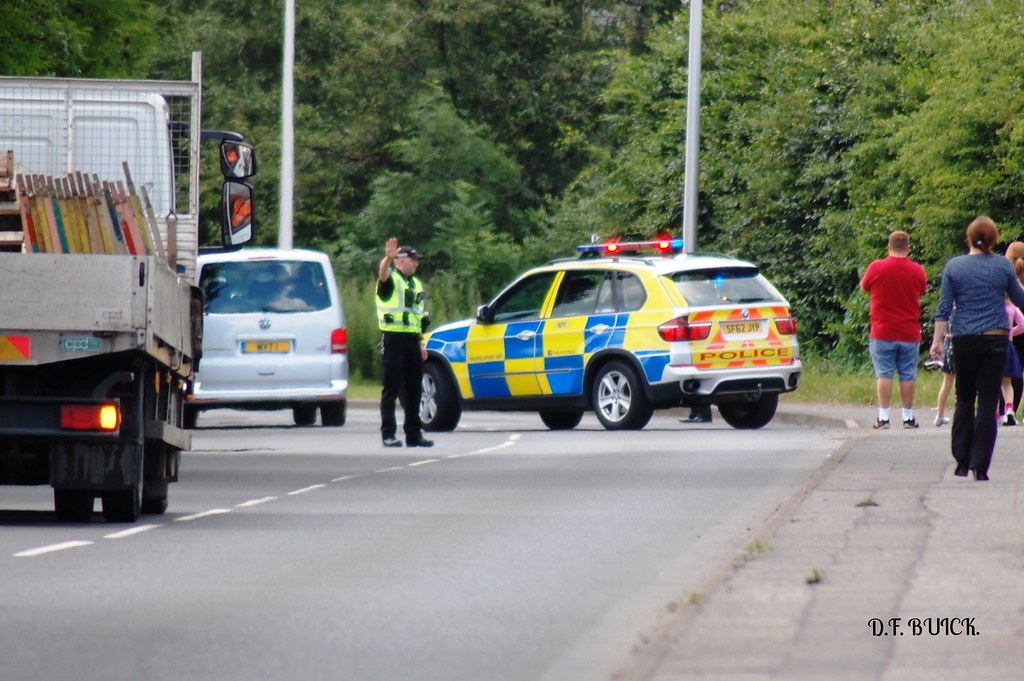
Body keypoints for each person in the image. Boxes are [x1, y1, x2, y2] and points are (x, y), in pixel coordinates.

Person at [929, 216, 1024, 481]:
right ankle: (980, 466)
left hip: (964, 339)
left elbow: (944, 309)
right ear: (994, 239)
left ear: (969, 237)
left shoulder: (954, 267)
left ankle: (961, 460)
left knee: (964, 398)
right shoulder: (1003, 267)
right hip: (995, 339)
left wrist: (937, 341)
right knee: (987, 401)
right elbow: (1019, 300)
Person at [860, 230, 928, 429]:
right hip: (909, 331)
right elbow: (922, 290)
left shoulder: (876, 267)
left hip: (882, 330)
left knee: (884, 373)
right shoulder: (917, 270)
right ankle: (908, 417)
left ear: (889, 247)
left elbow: (864, 287)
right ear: (908, 247)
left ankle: (884, 417)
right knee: (908, 374)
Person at [377, 237, 432, 448]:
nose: (416, 263)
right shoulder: (391, 279)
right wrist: (387, 260)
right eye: (413, 259)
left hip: (411, 340)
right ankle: (388, 434)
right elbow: (382, 276)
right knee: (391, 388)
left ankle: (413, 434)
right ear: (400, 261)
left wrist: (421, 342)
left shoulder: (416, 283)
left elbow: (417, 316)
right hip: (393, 339)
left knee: (413, 389)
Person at [1004, 241, 1024, 415]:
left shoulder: (1004, 279)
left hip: (1006, 333)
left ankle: (1004, 410)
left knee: (1007, 375)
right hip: (1021, 329)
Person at [998, 295, 1024, 426]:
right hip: (1008, 345)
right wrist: (1012, 332)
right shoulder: (1012, 307)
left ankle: (995, 413)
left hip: (994, 344)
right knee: (1007, 383)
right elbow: (1022, 324)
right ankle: (1009, 410)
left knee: (992, 382)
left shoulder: (994, 306)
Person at [933, 325, 954, 427]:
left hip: (949, 342)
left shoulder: (948, 310)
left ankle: (940, 415)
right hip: (962, 341)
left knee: (946, 383)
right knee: (965, 381)